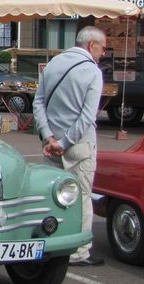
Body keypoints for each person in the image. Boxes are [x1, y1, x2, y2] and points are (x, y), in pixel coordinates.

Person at [32, 26, 107, 266]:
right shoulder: (92, 72)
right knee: (83, 196)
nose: (103, 53)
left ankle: (51, 243)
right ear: (90, 44)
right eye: (102, 48)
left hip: (52, 142)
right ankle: (79, 251)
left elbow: (38, 102)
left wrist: (48, 137)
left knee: (53, 196)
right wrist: (64, 143)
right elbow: (87, 117)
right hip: (79, 145)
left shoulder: (53, 64)